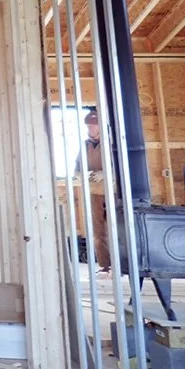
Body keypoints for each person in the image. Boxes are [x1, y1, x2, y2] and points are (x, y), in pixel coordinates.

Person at [74, 110, 110, 272]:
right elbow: (77, 169)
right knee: (98, 231)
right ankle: (105, 266)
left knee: (117, 228)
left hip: (112, 192)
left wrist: (106, 173)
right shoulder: (85, 146)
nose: (91, 129)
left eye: (93, 126)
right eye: (88, 126)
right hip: (94, 192)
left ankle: (123, 265)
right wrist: (81, 175)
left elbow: (123, 168)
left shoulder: (111, 145)